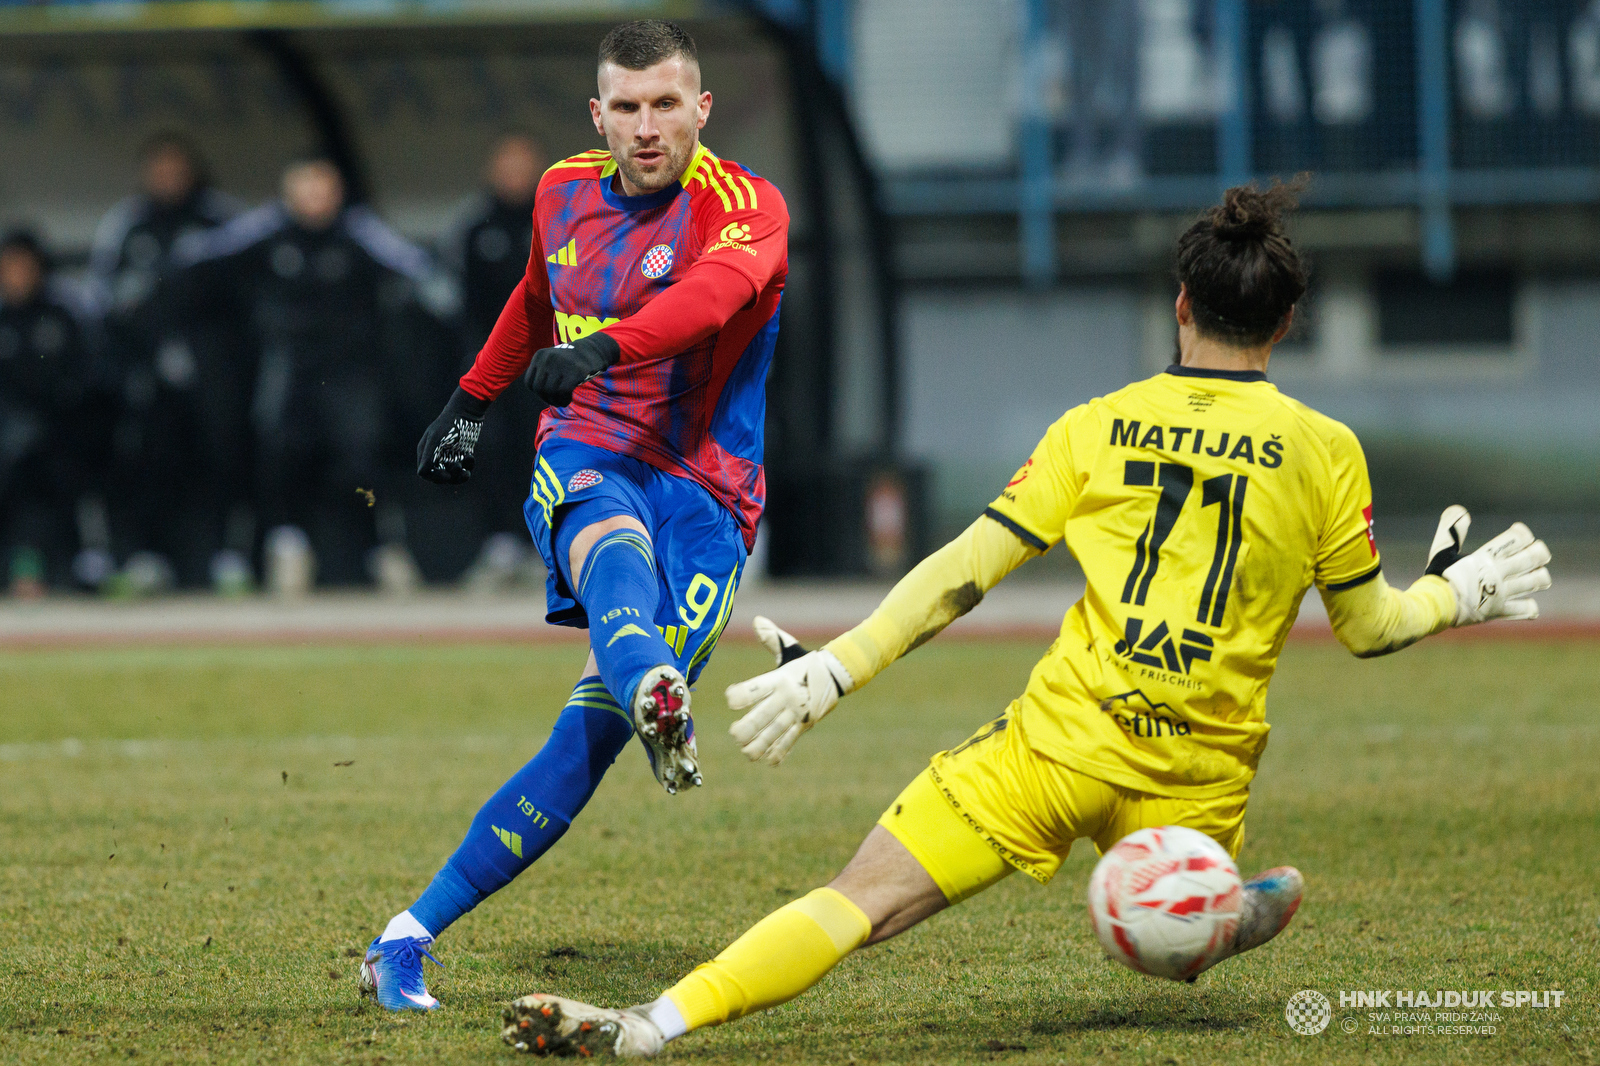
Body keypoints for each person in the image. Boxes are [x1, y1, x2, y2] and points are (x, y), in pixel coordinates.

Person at [498, 183, 1554, 1057]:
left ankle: (652, 1024)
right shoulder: (1324, 449)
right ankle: (1218, 914)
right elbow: (1369, 626)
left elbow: (963, 572)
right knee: (1156, 931)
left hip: (1056, 743)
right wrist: (1452, 595)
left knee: (856, 900)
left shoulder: (1096, 428)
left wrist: (836, 671)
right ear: (1284, 323)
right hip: (1198, 777)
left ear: (1180, 303)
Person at [361, 19, 789, 1012]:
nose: (647, 127)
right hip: (590, 448)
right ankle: (657, 692)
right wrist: (471, 400)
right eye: (627, 109)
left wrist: (602, 349)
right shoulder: (561, 188)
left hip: (711, 486)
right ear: (599, 115)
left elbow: (714, 300)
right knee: (612, 553)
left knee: (584, 741)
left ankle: (402, 935)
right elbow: (533, 295)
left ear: (701, 109)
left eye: (666, 104)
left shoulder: (745, 207)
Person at [171, 155, 439, 588]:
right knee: (279, 455)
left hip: (349, 370)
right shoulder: (267, 229)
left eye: (323, 185)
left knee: (362, 458)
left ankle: (382, 547)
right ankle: (285, 546)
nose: (315, 196)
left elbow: (417, 268)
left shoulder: (359, 230)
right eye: (305, 186)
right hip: (290, 365)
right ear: (288, 192)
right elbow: (197, 257)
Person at [89, 132, 244, 590]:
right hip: (146, 372)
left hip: (215, 373)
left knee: (221, 462)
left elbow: (247, 295)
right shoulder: (128, 224)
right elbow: (104, 298)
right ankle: (142, 558)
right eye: (158, 170)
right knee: (145, 466)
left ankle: (224, 556)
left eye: (176, 169)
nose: (168, 179)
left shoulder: (221, 220)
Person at [441, 132, 549, 582]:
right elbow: (454, 297)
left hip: (552, 357)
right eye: (507, 167)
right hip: (496, 358)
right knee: (493, 446)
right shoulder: (472, 227)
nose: (515, 177)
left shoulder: (559, 218)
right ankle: (502, 540)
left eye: (524, 168)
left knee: (548, 444)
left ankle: (549, 541)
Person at [0, 229, 102, 595]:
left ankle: (68, 570)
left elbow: (90, 377)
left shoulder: (66, 314)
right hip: (8, 445)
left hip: (61, 439)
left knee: (55, 495)